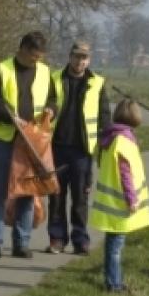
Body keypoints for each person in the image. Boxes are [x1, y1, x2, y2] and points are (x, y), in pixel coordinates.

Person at [0, 30, 56, 259]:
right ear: (22, 49)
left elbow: (53, 98)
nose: (37, 61)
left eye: (40, 57)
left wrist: (52, 110)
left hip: (31, 141)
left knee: (27, 190)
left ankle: (21, 243)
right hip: (4, 138)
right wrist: (12, 120)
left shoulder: (45, 72)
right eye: (34, 56)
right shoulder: (1, 70)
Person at [47, 40, 110, 256]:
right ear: (69, 56)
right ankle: (56, 239)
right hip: (57, 146)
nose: (79, 61)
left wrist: (107, 141)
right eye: (76, 56)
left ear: (89, 60)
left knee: (80, 198)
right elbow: (49, 103)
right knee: (56, 196)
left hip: (83, 150)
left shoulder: (98, 83)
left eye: (84, 58)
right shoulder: (55, 78)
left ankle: (80, 240)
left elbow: (104, 116)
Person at [90, 99, 149, 293]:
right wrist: (132, 200)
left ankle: (112, 280)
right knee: (116, 247)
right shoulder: (123, 141)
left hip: (111, 202)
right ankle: (114, 284)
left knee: (112, 244)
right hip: (120, 204)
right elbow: (125, 173)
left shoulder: (111, 137)